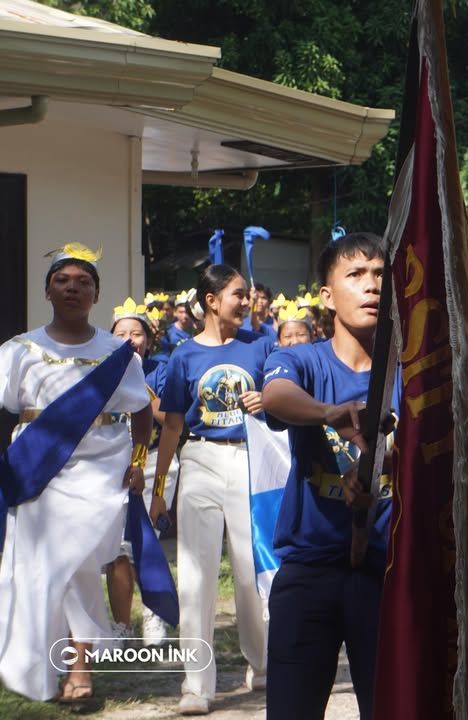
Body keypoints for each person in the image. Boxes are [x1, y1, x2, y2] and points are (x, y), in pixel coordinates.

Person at [0, 245, 151, 704]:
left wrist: (140, 464)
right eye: (62, 279)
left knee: (81, 565)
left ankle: (79, 666)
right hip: (37, 468)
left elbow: (142, 413)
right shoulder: (18, 350)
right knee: (43, 566)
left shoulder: (118, 354)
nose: (72, 287)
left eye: (82, 281)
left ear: (96, 294)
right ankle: (47, 662)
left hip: (99, 472)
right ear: (48, 289)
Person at [261, 232, 396, 720]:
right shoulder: (301, 359)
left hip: (390, 571)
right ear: (326, 294)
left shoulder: (413, 371)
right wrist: (329, 412)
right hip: (311, 568)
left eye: (381, 274)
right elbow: (276, 397)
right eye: (356, 275)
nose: (371, 286)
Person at [151, 264, 274, 716]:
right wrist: (159, 489)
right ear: (211, 300)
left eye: (248, 295)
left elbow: (281, 399)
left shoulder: (262, 347)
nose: (248, 301)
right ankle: (196, 684)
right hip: (199, 460)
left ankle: (262, 666)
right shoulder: (182, 356)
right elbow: (173, 427)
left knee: (249, 568)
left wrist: (270, 399)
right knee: (197, 576)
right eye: (240, 295)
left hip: (249, 460)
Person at [110, 297, 179, 646]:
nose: (129, 339)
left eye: (136, 333)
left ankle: (154, 616)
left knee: (148, 541)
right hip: (111, 467)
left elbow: (173, 420)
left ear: (148, 340)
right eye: (121, 333)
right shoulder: (101, 370)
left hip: (153, 463)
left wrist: (149, 403)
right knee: (116, 548)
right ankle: (122, 625)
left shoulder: (160, 370)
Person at [154, 289, 196, 361]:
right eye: (181, 312)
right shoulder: (167, 332)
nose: (185, 315)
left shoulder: (197, 330)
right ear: (175, 312)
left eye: (187, 312)